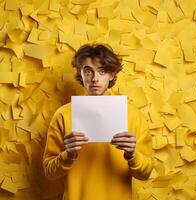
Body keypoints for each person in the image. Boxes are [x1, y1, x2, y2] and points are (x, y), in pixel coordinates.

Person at [42, 44, 153, 200]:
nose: (95, 78)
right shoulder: (63, 115)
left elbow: (145, 173)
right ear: (80, 74)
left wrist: (132, 155)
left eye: (102, 71)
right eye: (88, 72)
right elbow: (49, 172)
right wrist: (68, 155)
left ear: (112, 75)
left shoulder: (132, 115)